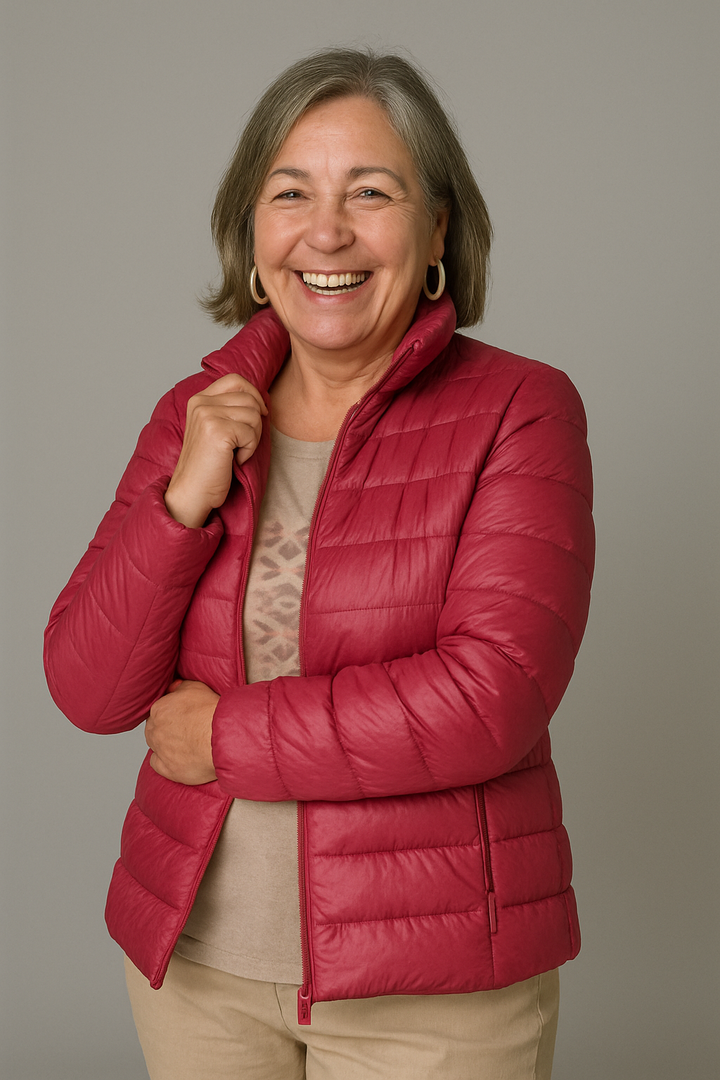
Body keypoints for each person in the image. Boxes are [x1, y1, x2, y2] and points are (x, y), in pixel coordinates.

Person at [44, 48, 594, 1080]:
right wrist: (180, 501)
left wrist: (230, 737)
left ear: (437, 230)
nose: (327, 231)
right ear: (252, 235)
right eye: (291, 192)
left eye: (371, 193)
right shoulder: (194, 416)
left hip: (432, 989)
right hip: (198, 973)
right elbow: (86, 688)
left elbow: (493, 698)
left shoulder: (521, 411)